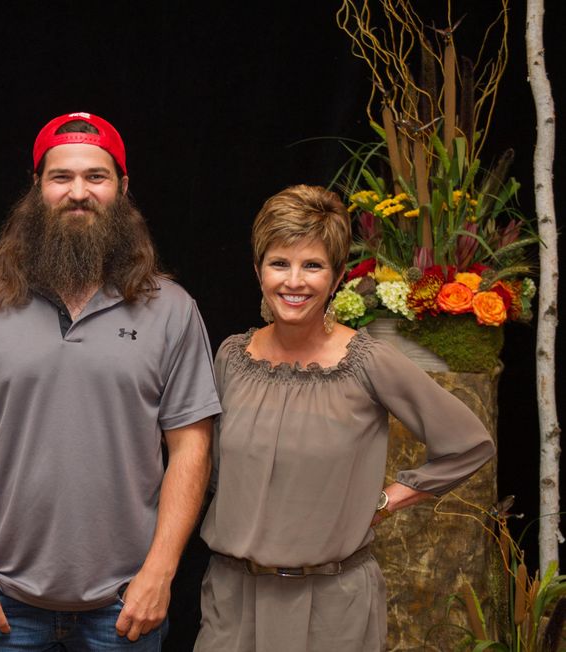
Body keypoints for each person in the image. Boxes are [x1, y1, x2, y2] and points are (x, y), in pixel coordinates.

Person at [0, 111, 221, 651]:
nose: (78, 192)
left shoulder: (172, 310)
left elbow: (191, 449)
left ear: (123, 188)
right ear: (36, 188)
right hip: (0, 602)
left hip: (125, 607)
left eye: (96, 176)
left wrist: (160, 573)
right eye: (60, 177)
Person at [193, 184, 496, 651]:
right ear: (258, 272)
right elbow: (209, 474)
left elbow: (469, 443)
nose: (294, 281)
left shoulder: (367, 361)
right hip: (233, 603)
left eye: (312, 265)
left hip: (332, 609)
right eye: (280, 263)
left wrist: (382, 503)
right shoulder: (232, 358)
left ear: (336, 278)